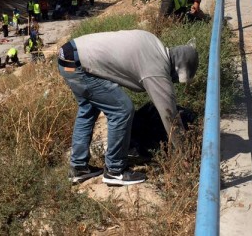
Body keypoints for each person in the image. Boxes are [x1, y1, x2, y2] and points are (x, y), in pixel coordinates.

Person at [58, 30, 198, 185]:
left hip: (68, 57)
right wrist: (185, 153)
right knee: (122, 110)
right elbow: (169, 115)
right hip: (78, 65)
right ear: (178, 69)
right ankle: (114, 170)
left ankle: (78, 168)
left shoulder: (154, 44)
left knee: (88, 110)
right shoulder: (157, 68)